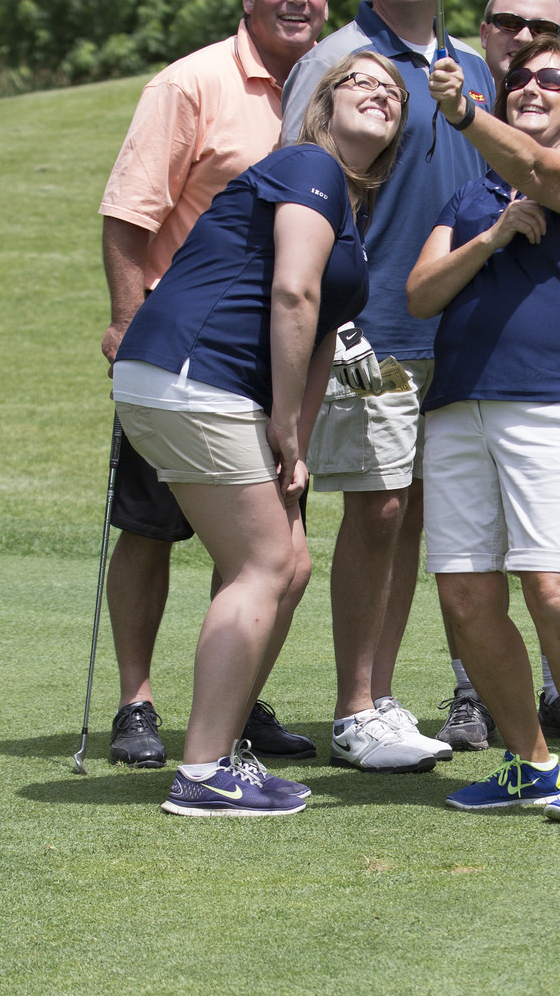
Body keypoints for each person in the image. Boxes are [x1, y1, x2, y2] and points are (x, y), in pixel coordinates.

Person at [110, 54, 407, 816]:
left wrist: (295, 445)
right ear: (320, 104)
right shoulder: (307, 163)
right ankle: (205, 770)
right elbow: (291, 292)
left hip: (200, 387)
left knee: (291, 561)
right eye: (359, 81)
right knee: (264, 562)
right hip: (194, 373)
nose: (381, 92)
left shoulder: (346, 207)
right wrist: (279, 419)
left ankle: (223, 744)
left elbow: (321, 337)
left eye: (394, 91)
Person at [99, 0, 330, 768]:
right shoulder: (192, 83)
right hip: (183, 352)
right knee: (153, 529)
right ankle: (136, 702)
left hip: (274, 358)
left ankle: (233, 703)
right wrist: (128, 321)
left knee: (261, 543)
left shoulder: (324, 91)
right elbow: (128, 213)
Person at [280, 0, 496, 773]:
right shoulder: (338, 61)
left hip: (456, 332)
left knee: (411, 519)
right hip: (368, 330)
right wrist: (338, 318)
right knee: (377, 511)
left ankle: (378, 696)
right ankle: (353, 706)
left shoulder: (472, 66)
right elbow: (301, 181)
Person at [410, 38, 560, 825]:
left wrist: (464, 111)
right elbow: (419, 295)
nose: (531, 86)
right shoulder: (470, 198)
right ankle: (529, 761)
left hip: (552, 408)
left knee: (551, 588)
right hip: (457, 408)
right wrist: (493, 235)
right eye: (518, 80)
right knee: (466, 597)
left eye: (553, 80)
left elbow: (543, 174)